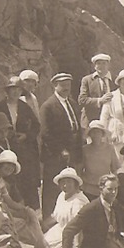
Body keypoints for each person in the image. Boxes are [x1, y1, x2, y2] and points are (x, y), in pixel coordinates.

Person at [0, 150, 54, 248]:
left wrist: (25, 209)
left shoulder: (0, 179)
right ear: (0, 164)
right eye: (7, 164)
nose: (9, 168)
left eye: (12, 166)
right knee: (23, 223)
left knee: (29, 215)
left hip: (0, 211)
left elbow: (9, 201)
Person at [38, 73, 84, 219]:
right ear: (55, 86)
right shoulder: (48, 106)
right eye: (62, 85)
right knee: (53, 187)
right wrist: (60, 150)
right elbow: (45, 133)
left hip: (73, 151)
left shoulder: (72, 104)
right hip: (55, 154)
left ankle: (67, 216)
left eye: (68, 85)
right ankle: (49, 217)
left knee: (71, 185)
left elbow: (76, 127)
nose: (66, 88)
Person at [0, 76, 41, 210]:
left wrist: (26, 135)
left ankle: (32, 211)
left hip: (24, 149)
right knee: (11, 179)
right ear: (7, 91)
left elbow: (36, 126)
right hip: (5, 148)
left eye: (18, 90)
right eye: (12, 89)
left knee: (27, 179)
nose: (15, 93)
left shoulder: (24, 107)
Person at [42, 167, 90, 248]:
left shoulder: (79, 201)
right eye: (63, 182)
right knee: (40, 243)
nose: (65, 185)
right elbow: (55, 216)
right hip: (59, 230)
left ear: (75, 184)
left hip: (72, 236)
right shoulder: (62, 195)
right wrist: (41, 226)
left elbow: (79, 230)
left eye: (69, 182)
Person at [80, 119, 119, 201]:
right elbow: (79, 169)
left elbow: (116, 168)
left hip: (105, 188)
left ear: (102, 134)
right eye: (93, 132)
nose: (96, 135)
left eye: (98, 132)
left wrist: (113, 184)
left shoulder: (110, 148)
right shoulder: (85, 149)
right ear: (89, 134)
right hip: (88, 188)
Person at [78, 53, 114, 126]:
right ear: (94, 66)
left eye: (104, 63)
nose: (101, 66)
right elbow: (82, 100)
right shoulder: (87, 80)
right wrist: (99, 100)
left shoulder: (115, 80)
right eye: (98, 63)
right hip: (91, 120)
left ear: (108, 65)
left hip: (110, 121)